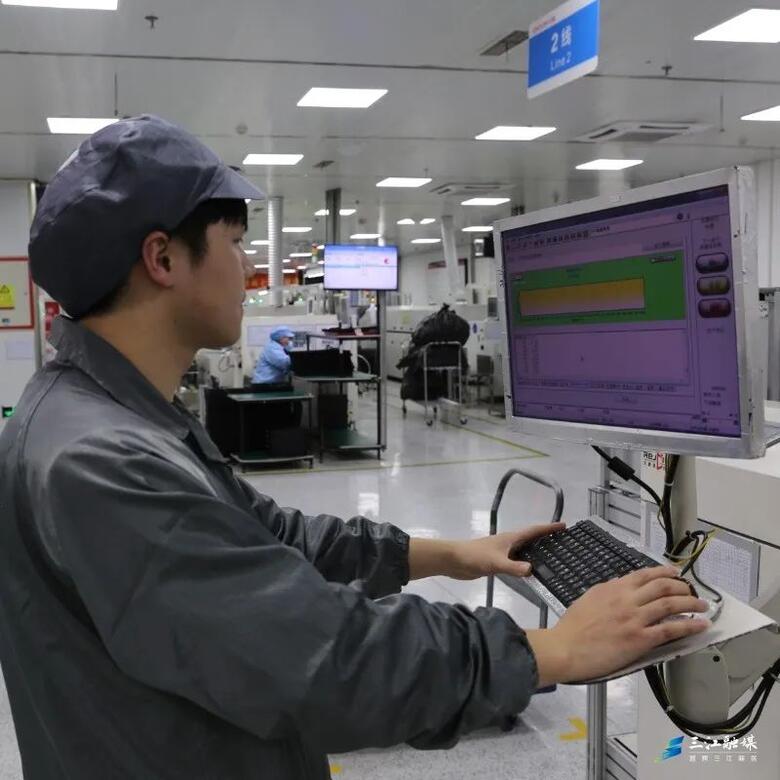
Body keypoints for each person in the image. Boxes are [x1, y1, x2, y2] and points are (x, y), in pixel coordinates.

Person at [0, 115, 710, 780]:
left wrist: (452, 555)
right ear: (162, 258)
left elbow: (273, 538)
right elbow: (320, 662)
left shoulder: (115, 417)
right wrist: (552, 648)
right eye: (236, 243)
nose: (247, 267)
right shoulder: (102, 462)